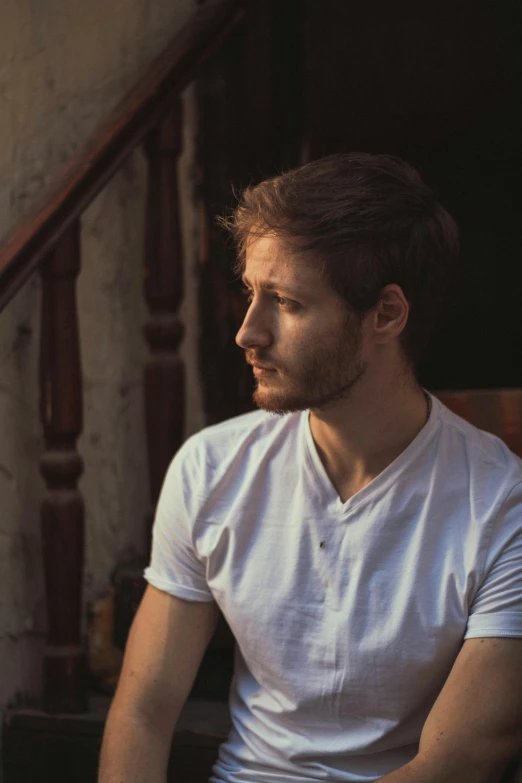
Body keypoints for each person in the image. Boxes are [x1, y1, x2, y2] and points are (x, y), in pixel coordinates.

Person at [98, 153, 522, 783]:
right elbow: (143, 712)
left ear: (385, 314)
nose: (247, 332)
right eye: (250, 293)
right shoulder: (211, 469)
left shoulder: (499, 502)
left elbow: (458, 761)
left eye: (287, 303)